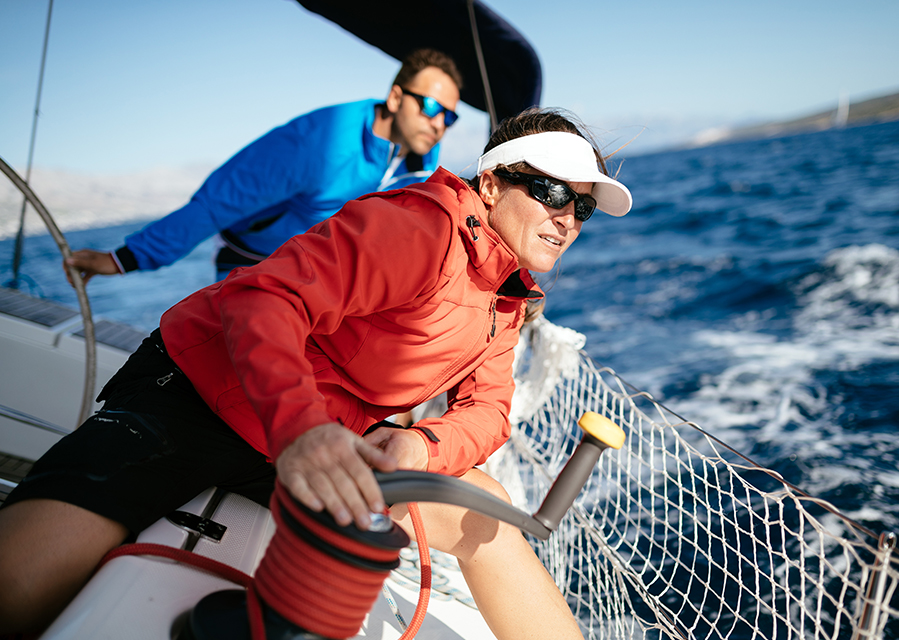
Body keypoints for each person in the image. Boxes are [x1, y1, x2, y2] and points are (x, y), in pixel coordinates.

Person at [0, 107, 633, 638]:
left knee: (486, 514)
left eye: (583, 207)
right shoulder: (419, 227)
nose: (568, 218)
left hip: (317, 444)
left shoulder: (508, 294)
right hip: (200, 401)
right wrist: (301, 430)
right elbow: (263, 299)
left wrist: (420, 442)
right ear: (492, 185)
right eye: (552, 192)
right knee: (18, 584)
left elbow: (491, 410)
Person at [64, 48, 462, 283]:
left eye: (449, 116)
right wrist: (124, 259)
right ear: (395, 98)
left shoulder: (421, 155)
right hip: (255, 266)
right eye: (430, 106)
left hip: (330, 273)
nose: (439, 123)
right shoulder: (321, 141)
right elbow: (220, 201)